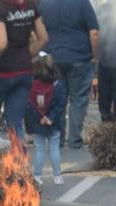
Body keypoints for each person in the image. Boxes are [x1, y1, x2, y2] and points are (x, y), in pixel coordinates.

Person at [0, 0, 48, 151]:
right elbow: (43, 38)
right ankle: (20, 165)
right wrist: (26, 55)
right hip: (24, 72)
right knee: (15, 123)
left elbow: (1, 44)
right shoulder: (30, 7)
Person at [37, 0, 97, 149]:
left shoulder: (44, 4)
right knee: (78, 99)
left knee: (58, 100)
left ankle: (58, 139)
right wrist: (95, 56)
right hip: (80, 57)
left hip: (54, 58)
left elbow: (38, 31)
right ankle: (74, 140)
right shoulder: (82, 3)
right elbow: (94, 33)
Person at [25, 52, 65, 184]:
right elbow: (61, 104)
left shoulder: (32, 86)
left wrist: (37, 120)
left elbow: (29, 106)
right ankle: (57, 176)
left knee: (39, 150)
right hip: (53, 123)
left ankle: (37, 176)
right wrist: (50, 118)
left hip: (38, 124)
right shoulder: (57, 85)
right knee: (54, 149)